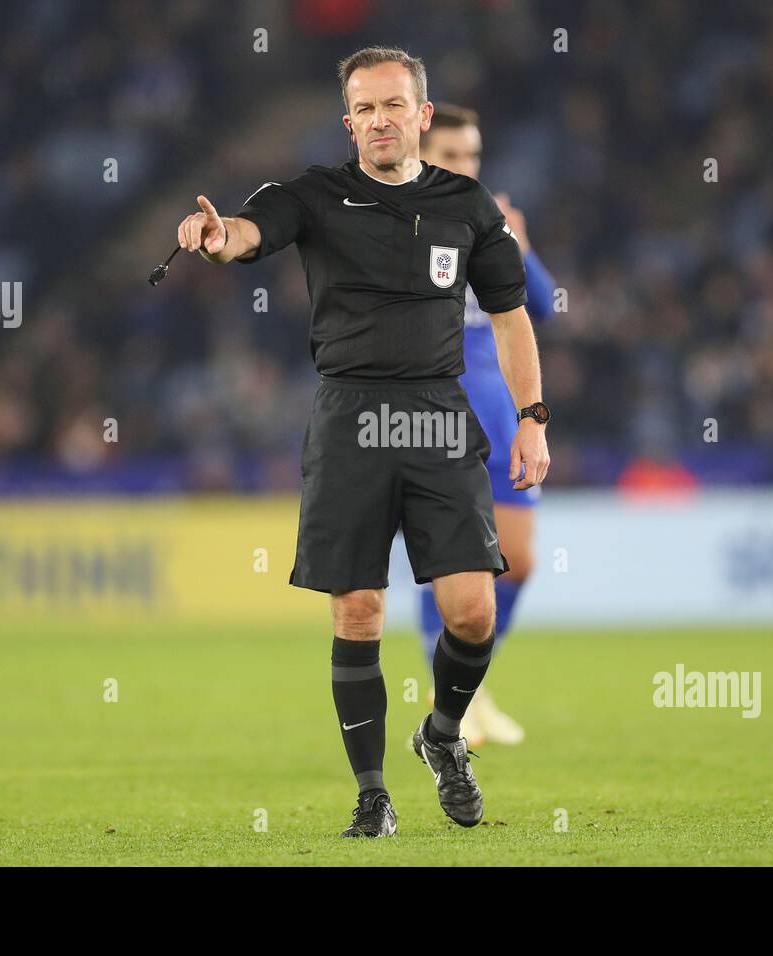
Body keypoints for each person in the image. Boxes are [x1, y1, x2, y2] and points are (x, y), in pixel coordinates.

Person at [174, 46, 551, 837]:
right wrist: (219, 236)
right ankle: (372, 795)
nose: (380, 120)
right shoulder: (312, 195)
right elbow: (249, 230)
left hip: (440, 417)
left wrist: (531, 417)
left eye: (393, 106)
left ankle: (442, 734)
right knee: (357, 610)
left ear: (421, 114)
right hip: (351, 417)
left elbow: (514, 316)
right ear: (350, 123)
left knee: (474, 610)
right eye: (365, 109)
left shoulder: (469, 206)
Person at [416, 103, 557, 747]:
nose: (464, 167)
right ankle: (449, 700)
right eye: (450, 156)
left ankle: (470, 688)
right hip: (439, 415)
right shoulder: (405, 225)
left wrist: (520, 250)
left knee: (519, 560)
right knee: (451, 562)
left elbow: (547, 308)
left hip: (505, 416)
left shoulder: (494, 221)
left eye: (471, 156)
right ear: (421, 157)